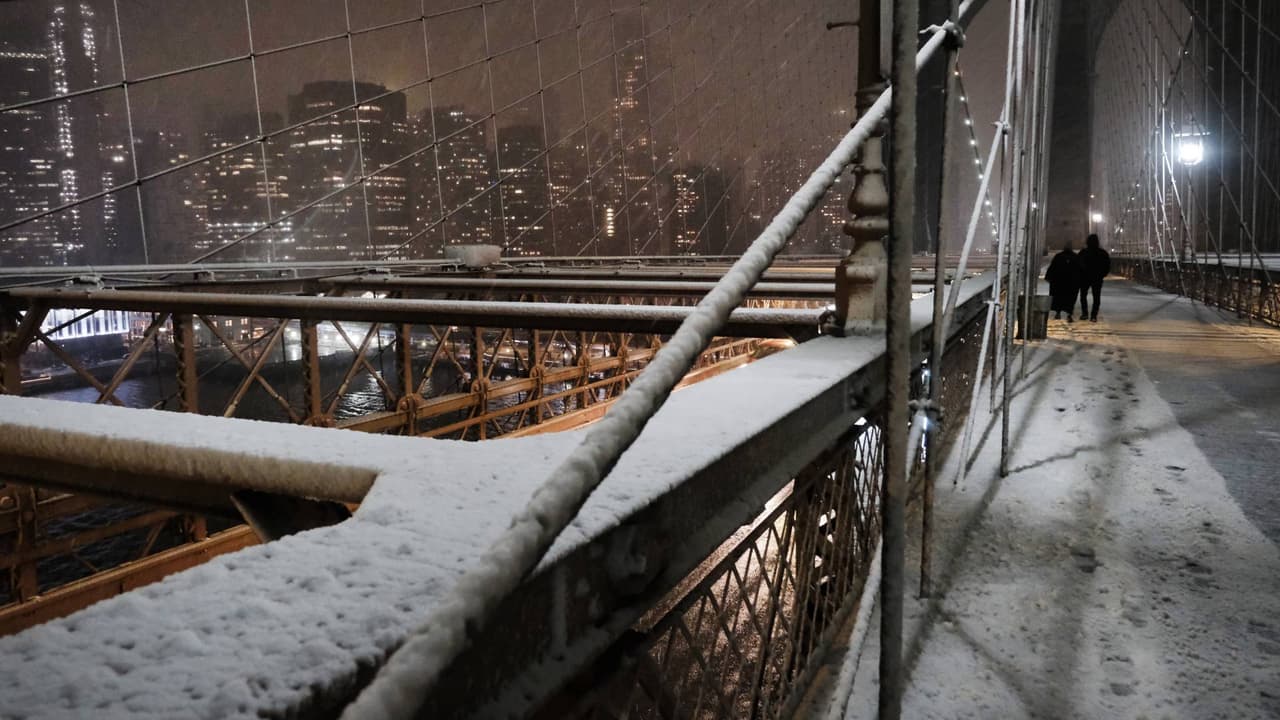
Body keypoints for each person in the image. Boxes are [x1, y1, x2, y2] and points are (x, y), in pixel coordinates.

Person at [1045, 241, 1083, 322]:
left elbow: (1052, 268)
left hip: (1059, 282)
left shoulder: (1059, 256)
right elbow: (1080, 270)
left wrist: (1049, 277)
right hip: (1071, 283)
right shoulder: (1075, 257)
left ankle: (1058, 312)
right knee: (1070, 299)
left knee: (1058, 298)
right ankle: (1069, 314)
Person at [1077, 233, 1111, 321]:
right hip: (1097, 277)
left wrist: (1080, 274)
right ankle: (1093, 316)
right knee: (1096, 297)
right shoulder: (1102, 253)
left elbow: (1077, 264)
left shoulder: (1083, 252)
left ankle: (1085, 314)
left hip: (1085, 277)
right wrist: (1102, 274)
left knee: (1083, 296)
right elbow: (1107, 265)